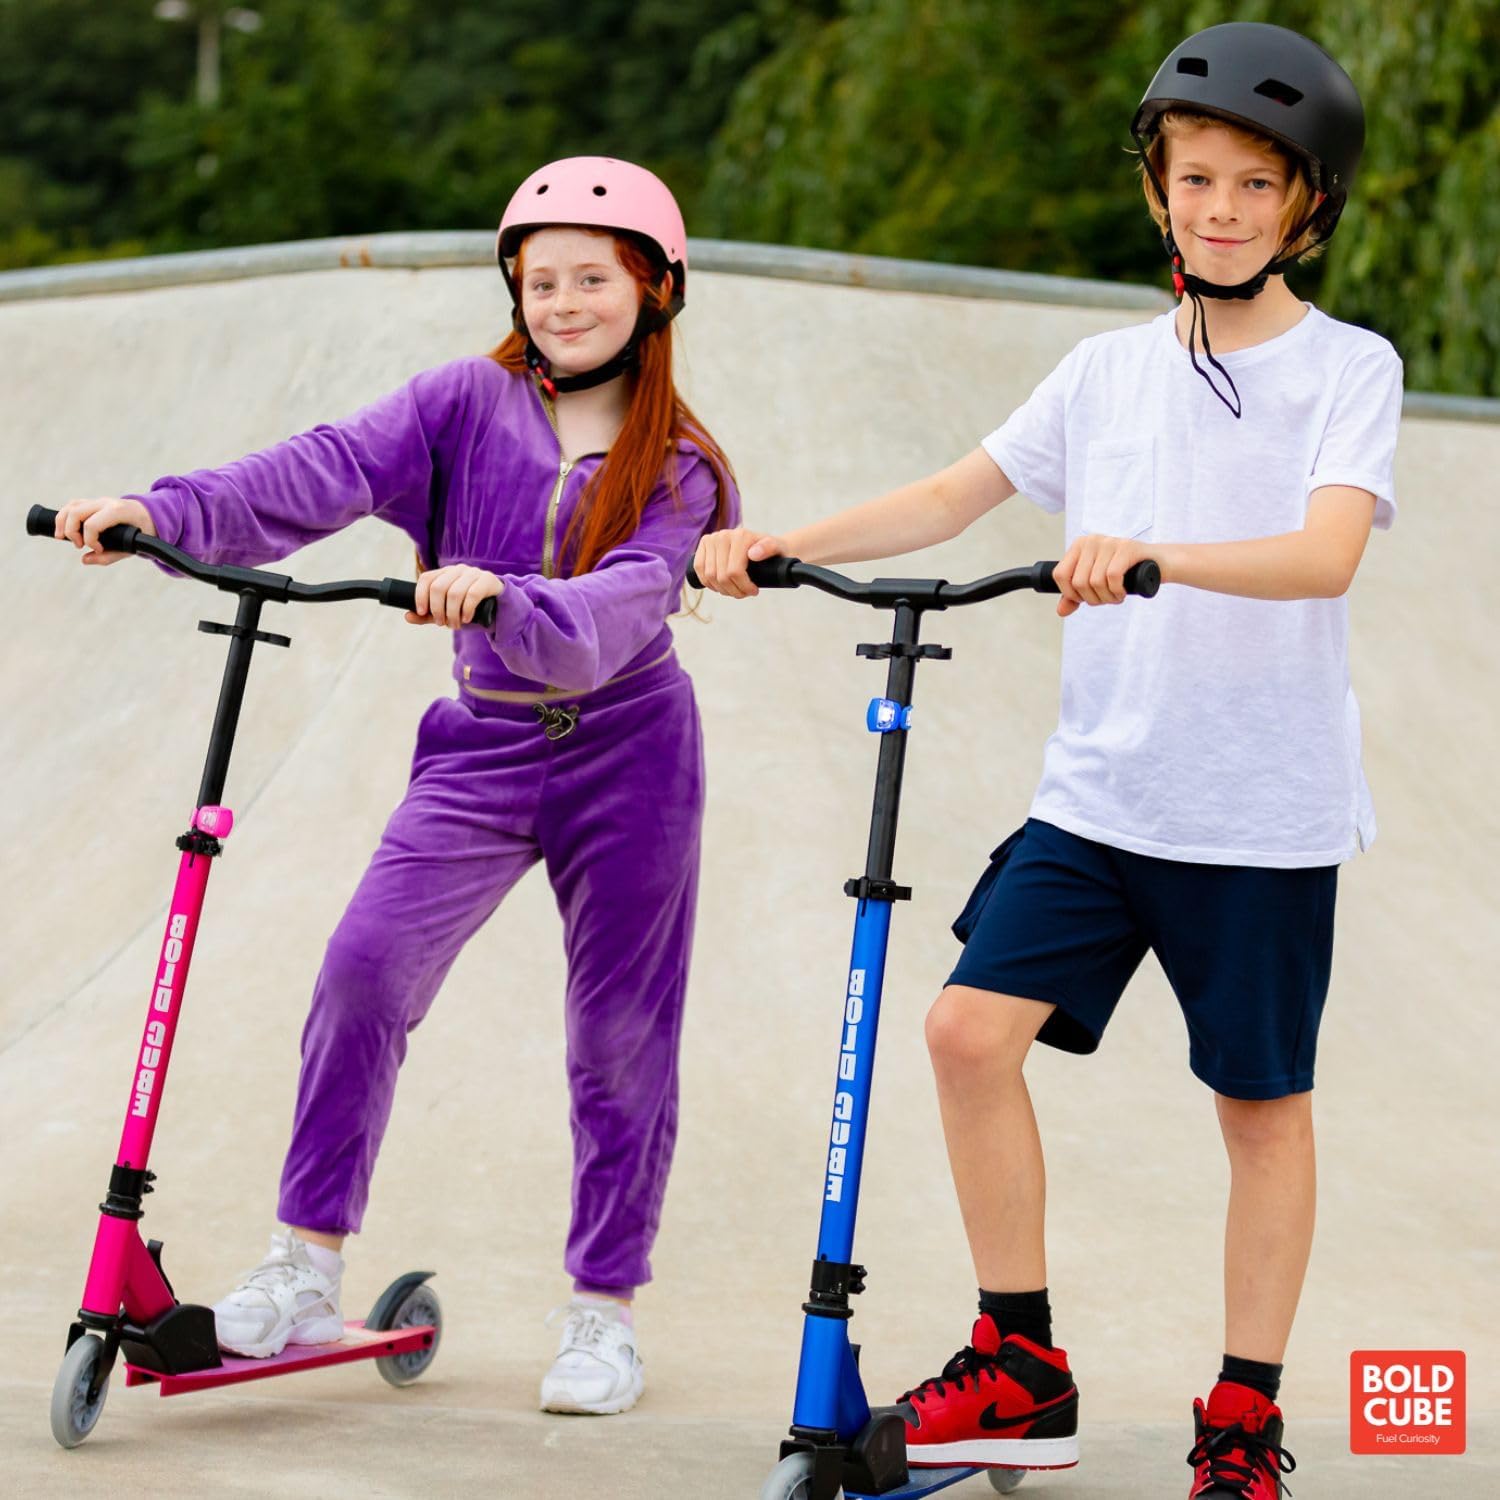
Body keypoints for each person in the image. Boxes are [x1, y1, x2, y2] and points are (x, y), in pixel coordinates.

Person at [694, 23, 1399, 1497]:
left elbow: (1327, 554)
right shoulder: (1104, 371)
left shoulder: (1347, 368)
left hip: (1257, 815)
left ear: (1306, 205)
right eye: (1194, 178)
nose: (1219, 208)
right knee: (965, 1034)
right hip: (1099, 798)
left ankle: (1243, 1415)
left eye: (1254, 185)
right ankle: (1021, 1367)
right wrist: (782, 543)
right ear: (1156, 190)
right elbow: (953, 495)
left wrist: (1155, 553)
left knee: (1260, 1110)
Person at [53, 155, 738, 1417]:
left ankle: (604, 1313)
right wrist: (162, 513)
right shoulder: (460, 403)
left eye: (593, 279)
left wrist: (508, 598)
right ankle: (305, 1267)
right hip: (482, 743)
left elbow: (619, 609)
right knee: (363, 971)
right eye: (541, 281)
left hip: (631, 753)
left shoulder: (682, 465)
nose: (564, 303)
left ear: (656, 290)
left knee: (619, 1036)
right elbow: (314, 470)